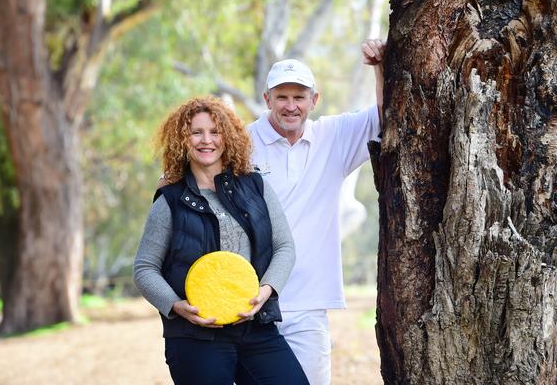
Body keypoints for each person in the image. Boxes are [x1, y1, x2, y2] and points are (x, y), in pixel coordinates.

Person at [133, 96, 309, 385]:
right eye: (196, 132)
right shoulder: (170, 201)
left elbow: (284, 247)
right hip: (195, 337)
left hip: (256, 328)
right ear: (182, 140)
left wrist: (266, 291)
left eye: (215, 132)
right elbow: (144, 268)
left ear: (227, 137)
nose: (207, 140)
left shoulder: (255, 186)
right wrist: (176, 306)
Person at [246, 39, 386, 384]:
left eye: (298, 97)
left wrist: (380, 66)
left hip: (309, 303)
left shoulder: (333, 137)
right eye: (282, 97)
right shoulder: (242, 141)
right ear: (268, 100)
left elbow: (386, 113)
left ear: (314, 100)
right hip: (250, 301)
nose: (290, 106)